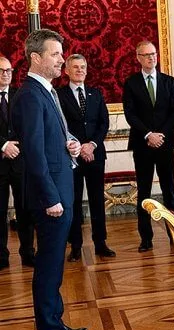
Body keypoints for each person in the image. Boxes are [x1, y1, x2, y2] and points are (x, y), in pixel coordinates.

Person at [11, 29, 88, 330]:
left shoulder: (46, 91)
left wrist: (69, 143)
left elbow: (50, 140)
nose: (62, 60)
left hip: (60, 189)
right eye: (56, 54)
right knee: (48, 267)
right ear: (36, 58)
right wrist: (50, 198)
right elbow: (34, 153)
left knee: (55, 265)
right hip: (51, 197)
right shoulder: (29, 95)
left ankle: (55, 322)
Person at [123, 40, 174, 252]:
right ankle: (145, 239)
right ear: (138, 57)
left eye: (154, 54)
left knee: (170, 193)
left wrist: (161, 135)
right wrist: (148, 134)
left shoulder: (168, 81)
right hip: (142, 144)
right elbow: (130, 114)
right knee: (144, 193)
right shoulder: (131, 83)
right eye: (146, 55)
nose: (151, 58)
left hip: (165, 143)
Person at [57, 54, 115, 261]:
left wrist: (91, 145)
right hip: (71, 156)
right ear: (66, 71)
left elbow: (103, 124)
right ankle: (75, 245)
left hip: (95, 155)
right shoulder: (59, 95)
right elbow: (60, 126)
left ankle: (101, 243)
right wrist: (78, 147)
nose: (80, 70)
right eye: (75, 67)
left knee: (97, 200)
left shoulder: (95, 94)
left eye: (83, 67)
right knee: (72, 201)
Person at [0, 56, 35, 270]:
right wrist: (4, 145)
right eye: (1, 70)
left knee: (26, 210)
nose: (5, 74)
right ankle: (1, 256)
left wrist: (17, 146)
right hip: (0, 163)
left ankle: (28, 253)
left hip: (21, 162)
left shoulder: (20, 96)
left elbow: (30, 126)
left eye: (9, 70)